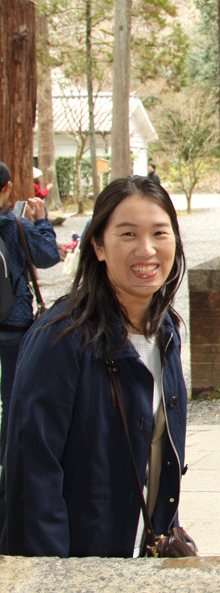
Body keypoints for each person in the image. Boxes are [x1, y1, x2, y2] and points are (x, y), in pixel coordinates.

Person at [0, 175, 188, 558]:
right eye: (128, 234)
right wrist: (56, 582)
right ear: (98, 246)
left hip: (138, 557)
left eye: (159, 233)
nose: (147, 250)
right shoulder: (61, 339)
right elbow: (31, 476)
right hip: (80, 568)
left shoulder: (165, 330)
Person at [0, 163, 60, 457]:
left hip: (13, 324)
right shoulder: (15, 225)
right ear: (7, 188)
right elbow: (49, 256)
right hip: (13, 322)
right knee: (11, 396)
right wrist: (41, 221)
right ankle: (7, 459)